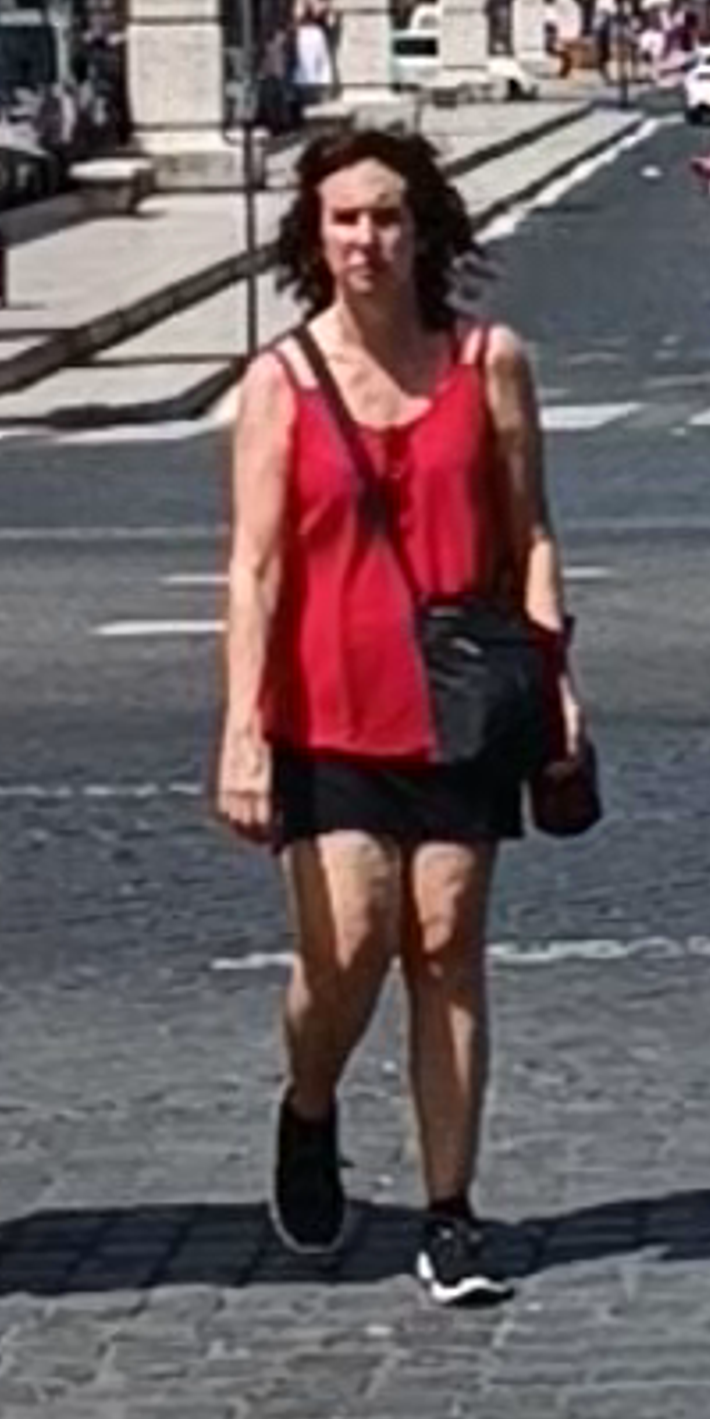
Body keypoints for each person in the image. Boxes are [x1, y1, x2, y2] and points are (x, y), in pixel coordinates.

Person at [215, 117, 578, 1308]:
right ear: (314, 240)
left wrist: (557, 678)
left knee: (447, 942)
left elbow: (528, 528)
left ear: (423, 231)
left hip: (465, 703)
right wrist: (241, 728)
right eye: (344, 219)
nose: (366, 238)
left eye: (385, 216)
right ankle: (309, 1101)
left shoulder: (491, 360)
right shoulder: (280, 379)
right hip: (327, 703)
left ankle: (450, 1208)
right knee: (349, 940)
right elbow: (255, 564)